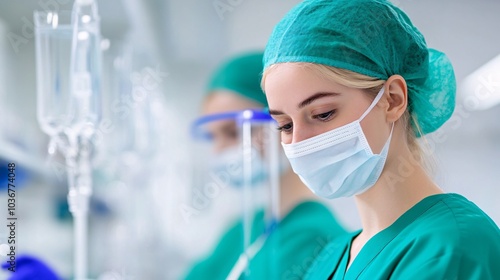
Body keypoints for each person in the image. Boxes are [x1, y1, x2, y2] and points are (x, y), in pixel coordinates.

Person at [260, 0, 500, 279]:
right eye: (285, 125)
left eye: (323, 114)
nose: (299, 142)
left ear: (392, 99)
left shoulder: (452, 247)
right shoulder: (331, 257)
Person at [183, 52, 346, 279]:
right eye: (213, 138)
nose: (219, 151)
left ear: (283, 122)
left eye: (232, 132)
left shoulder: (316, 239)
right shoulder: (243, 230)